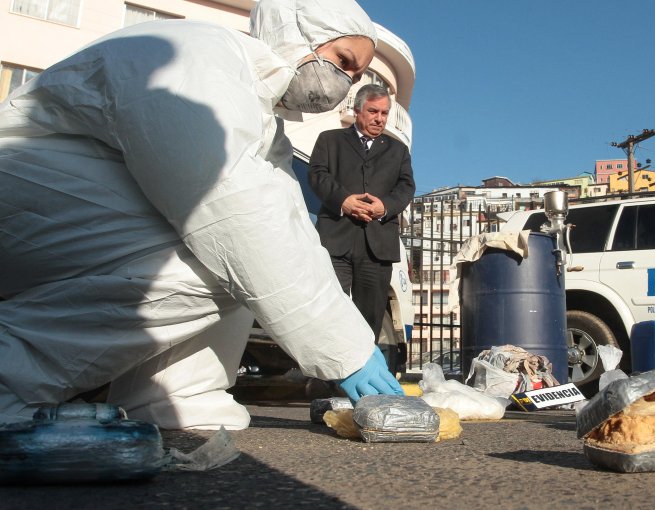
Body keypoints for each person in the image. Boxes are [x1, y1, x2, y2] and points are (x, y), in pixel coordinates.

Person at [0, 0, 403, 431]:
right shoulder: (199, 58)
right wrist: (346, 349)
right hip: (27, 200)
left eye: (355, 77)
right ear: (298, 33)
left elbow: (288, 223)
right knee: (231, 253)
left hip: (57, 214)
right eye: (343, 62)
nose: (341, 83)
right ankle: (9, 381)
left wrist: (347, 337)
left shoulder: (259, 113)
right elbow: (235, 213)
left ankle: (174, 397)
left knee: (248, 258)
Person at [308, 84, 415, 371]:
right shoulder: (330, 141)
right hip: (336, 240)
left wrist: (385, 207)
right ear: (357, 111)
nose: (380, 118)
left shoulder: (398, 150)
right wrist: (343, 200)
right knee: (331, 312)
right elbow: (317, 175)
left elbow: (406, 187)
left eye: (384, 113)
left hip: (377, 245)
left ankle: (362, 382)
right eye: (373, 112)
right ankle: (327, 384)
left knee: (370, 318)